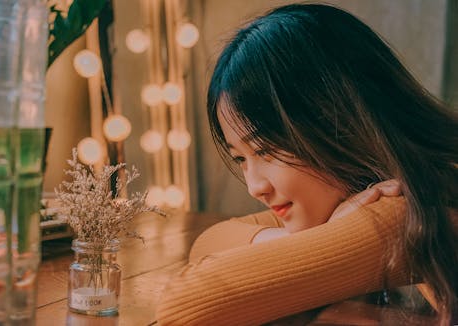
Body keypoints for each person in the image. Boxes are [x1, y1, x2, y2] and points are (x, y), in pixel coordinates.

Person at [156, 3, 458, 325]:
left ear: (336, 121)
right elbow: (209, 241)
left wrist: (333, 239)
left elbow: (183, 308)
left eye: (267, 150)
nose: (256, 187)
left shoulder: (394, 209)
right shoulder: (421, 180)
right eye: (241, 158)